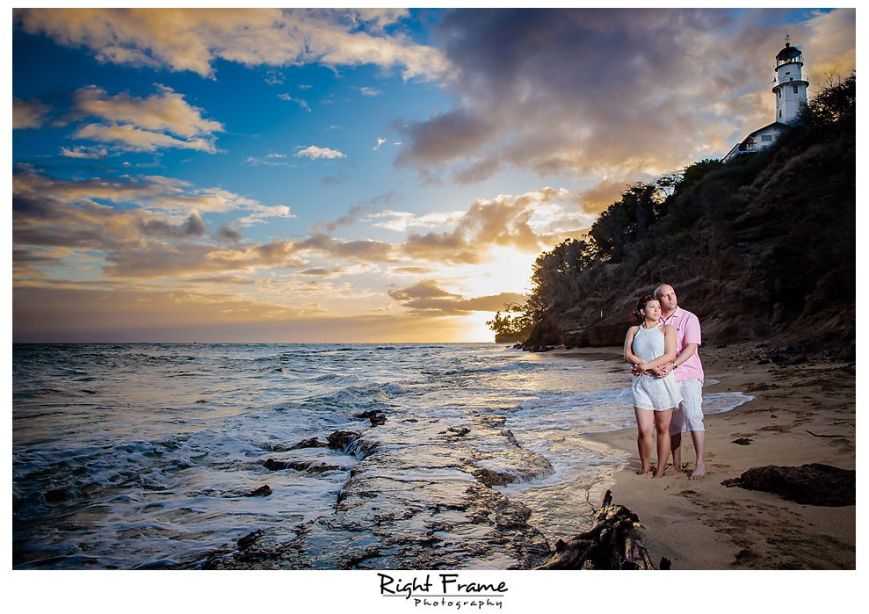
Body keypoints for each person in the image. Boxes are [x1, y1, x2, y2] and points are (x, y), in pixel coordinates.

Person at [649, 284, 706, 479]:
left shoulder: (689, 318)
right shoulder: (655, 321)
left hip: (689, 375)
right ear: (658, 300)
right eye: (665, 296)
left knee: (693, 416)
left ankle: (700, 463)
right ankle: (676, 464)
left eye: (672, 294)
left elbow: (690, 348)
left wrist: (673, 365)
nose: (670, 298)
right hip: (666, 379)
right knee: (672, 425)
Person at [623, 294, 681, 478]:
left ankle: (661, 469)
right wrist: (643, 364)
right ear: (642, 311)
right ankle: (645, 467)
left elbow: (670, 355)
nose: (657, 310)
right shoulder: (634, 330)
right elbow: (626, 354)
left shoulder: (667, 329)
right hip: (642, 384)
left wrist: (647, 366)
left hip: (662, 383)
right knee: (644, 429)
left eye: (658, 307)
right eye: (652, 307)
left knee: (663, 429)